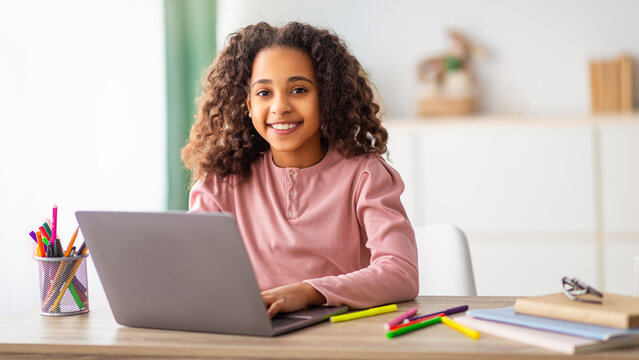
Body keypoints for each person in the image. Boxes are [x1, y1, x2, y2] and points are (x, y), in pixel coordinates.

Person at [182, 22, 418, 318]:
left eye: (298, 90)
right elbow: (196, 277)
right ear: (248, 104)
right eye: (264, 92)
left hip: (343, 336)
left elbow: (401, 273)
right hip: (256, 337)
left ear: (327, 97)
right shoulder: (219, 183)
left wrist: (308, 293)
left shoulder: (365, 176)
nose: (280, 107)